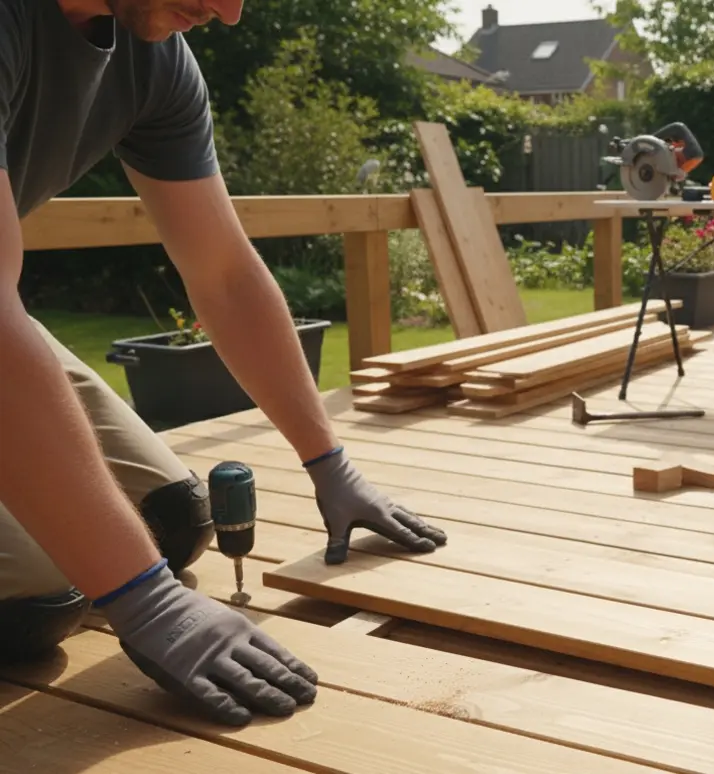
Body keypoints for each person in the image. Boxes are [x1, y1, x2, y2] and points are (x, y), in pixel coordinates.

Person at [0, 0, 448, 726]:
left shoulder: (154, 58)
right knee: (42, 600)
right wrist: (146, 599)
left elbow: (227, 277)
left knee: (171, 521)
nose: (231, 12)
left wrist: (329, 463)